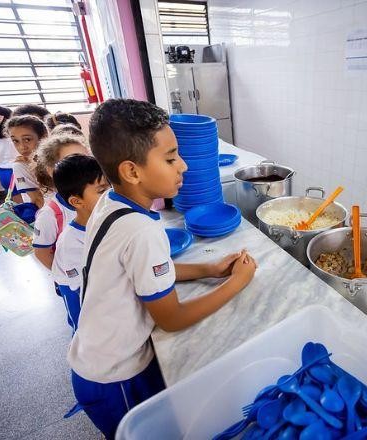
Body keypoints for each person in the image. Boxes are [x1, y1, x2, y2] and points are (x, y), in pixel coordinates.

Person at [68, 99, 257, 438]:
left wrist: (209, 268)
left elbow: (145, 272)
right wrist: (236, 284)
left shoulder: (111, 201)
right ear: (131, 171)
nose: (183, 166)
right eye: (170, 158)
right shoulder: (142, 231)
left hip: (96, 359)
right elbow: (171, 319)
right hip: (115, 375)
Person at [52, 154, 109, 333]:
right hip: (74, 288)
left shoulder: (103, 219)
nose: (111, 194)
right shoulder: (71, 242)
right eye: (102, 191)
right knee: (84, 329)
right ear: (77, 201)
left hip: (99, 281)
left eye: (110, 186)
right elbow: (83, 288)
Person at [32, 134, 90, 270]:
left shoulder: (101, 198)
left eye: (86, 159)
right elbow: (41, 253)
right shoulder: (49, 215)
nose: (84, 167)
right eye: (72, 162)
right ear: (52, 171)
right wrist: (65, 279)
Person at [6, 115, 48, 211]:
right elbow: (38, 199)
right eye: (15, 141)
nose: (22, 147)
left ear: (43, 136)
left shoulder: (52, 158)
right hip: (49, 216)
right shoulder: (20, 166)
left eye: (27, 139)